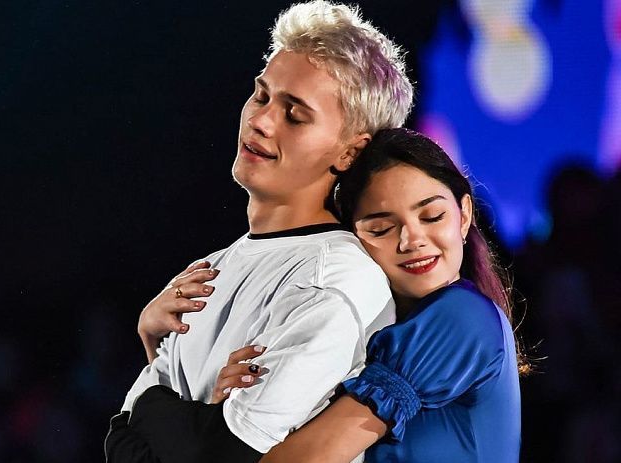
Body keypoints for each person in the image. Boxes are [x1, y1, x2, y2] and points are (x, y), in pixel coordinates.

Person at [105, 1, 413, 461]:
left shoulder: (336, 279)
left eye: (295, 114)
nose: (261, 120)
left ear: (350, 152)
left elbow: (222, 455)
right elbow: (119, 441)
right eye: (262, 95)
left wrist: (151, 407)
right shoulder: (211, 268)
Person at [209, 129, 523, 462]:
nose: (412, 240)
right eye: (381, 228)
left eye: (432, 216)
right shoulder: (367, 334)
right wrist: (235, 405)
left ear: (464, 216)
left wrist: (233, 436)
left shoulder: (461, 315)